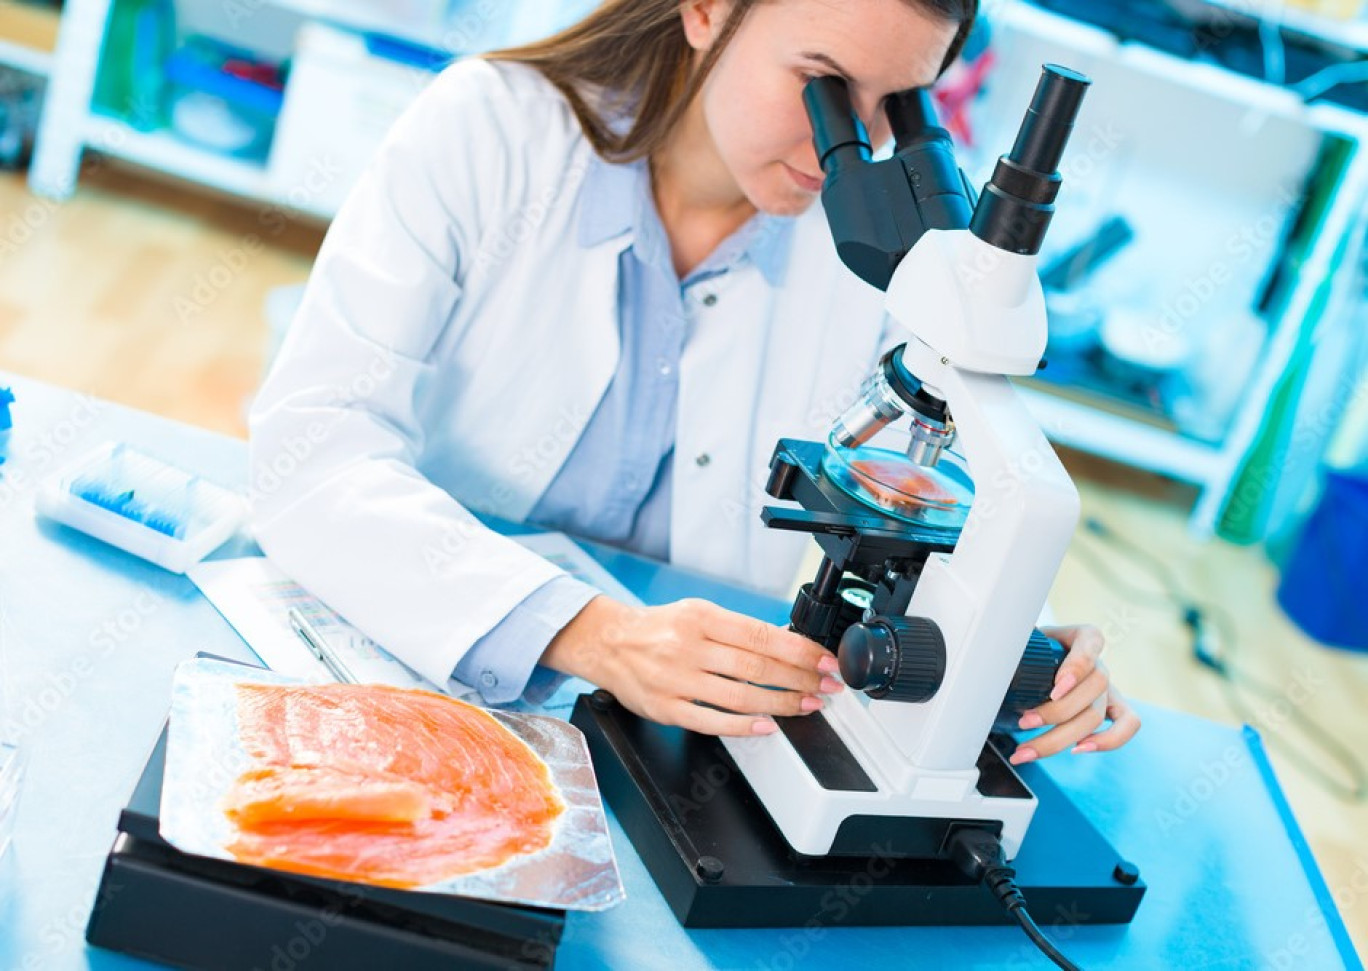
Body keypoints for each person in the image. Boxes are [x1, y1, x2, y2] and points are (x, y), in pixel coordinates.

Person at [248, 0, 1140, 765]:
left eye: (896, 103)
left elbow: (937, 475)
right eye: (825, 85)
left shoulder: (875, 254)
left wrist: (1016, 639)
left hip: (687, 738)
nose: (853, 142)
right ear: (706, 9)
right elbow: (312, 451)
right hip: (410, 658)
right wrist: (594, 633)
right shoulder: (486, 131)